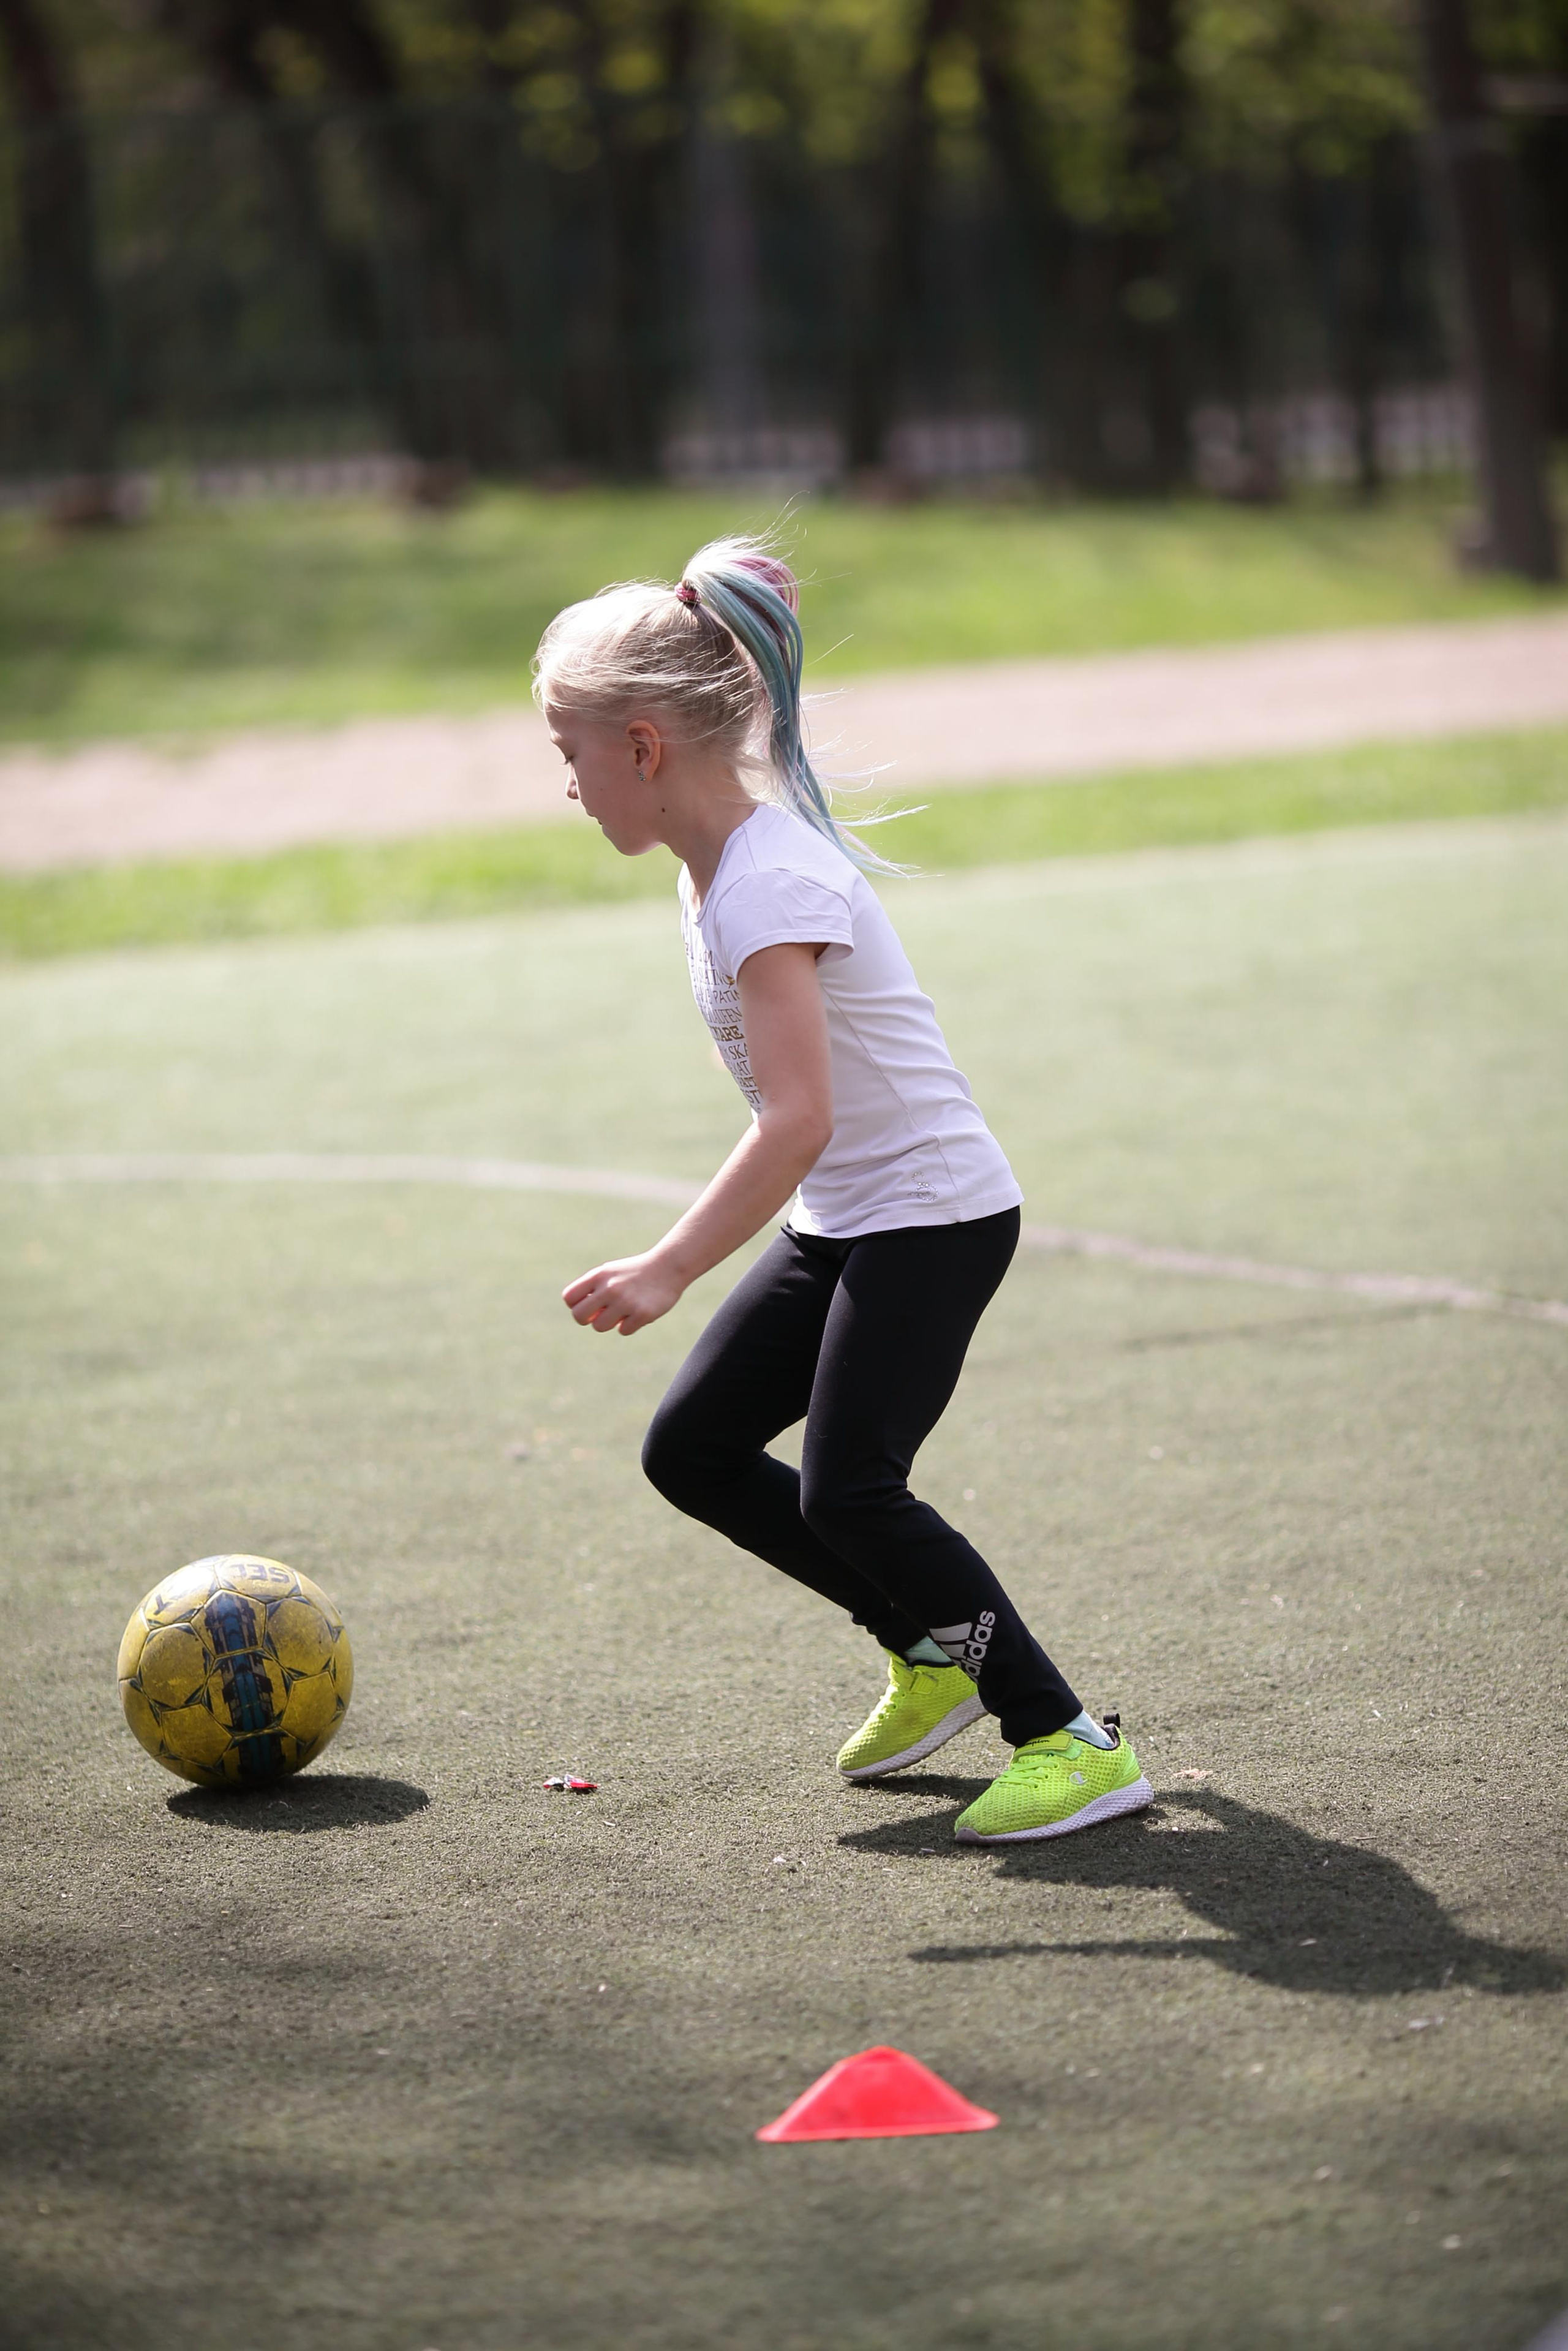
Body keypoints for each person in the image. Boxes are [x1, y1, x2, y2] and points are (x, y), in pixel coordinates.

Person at [532, 537, 1151, 1844]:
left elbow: (798, 1118)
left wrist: (668, 1264)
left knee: (849, 1486)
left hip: (933, 1216)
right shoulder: (712, 869)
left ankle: (1067, 1737)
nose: (566, 785)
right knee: (693, 1449)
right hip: (851, 1220)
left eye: (569, 753)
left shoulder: (769, 881)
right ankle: (928, 1653)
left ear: (642, 747)